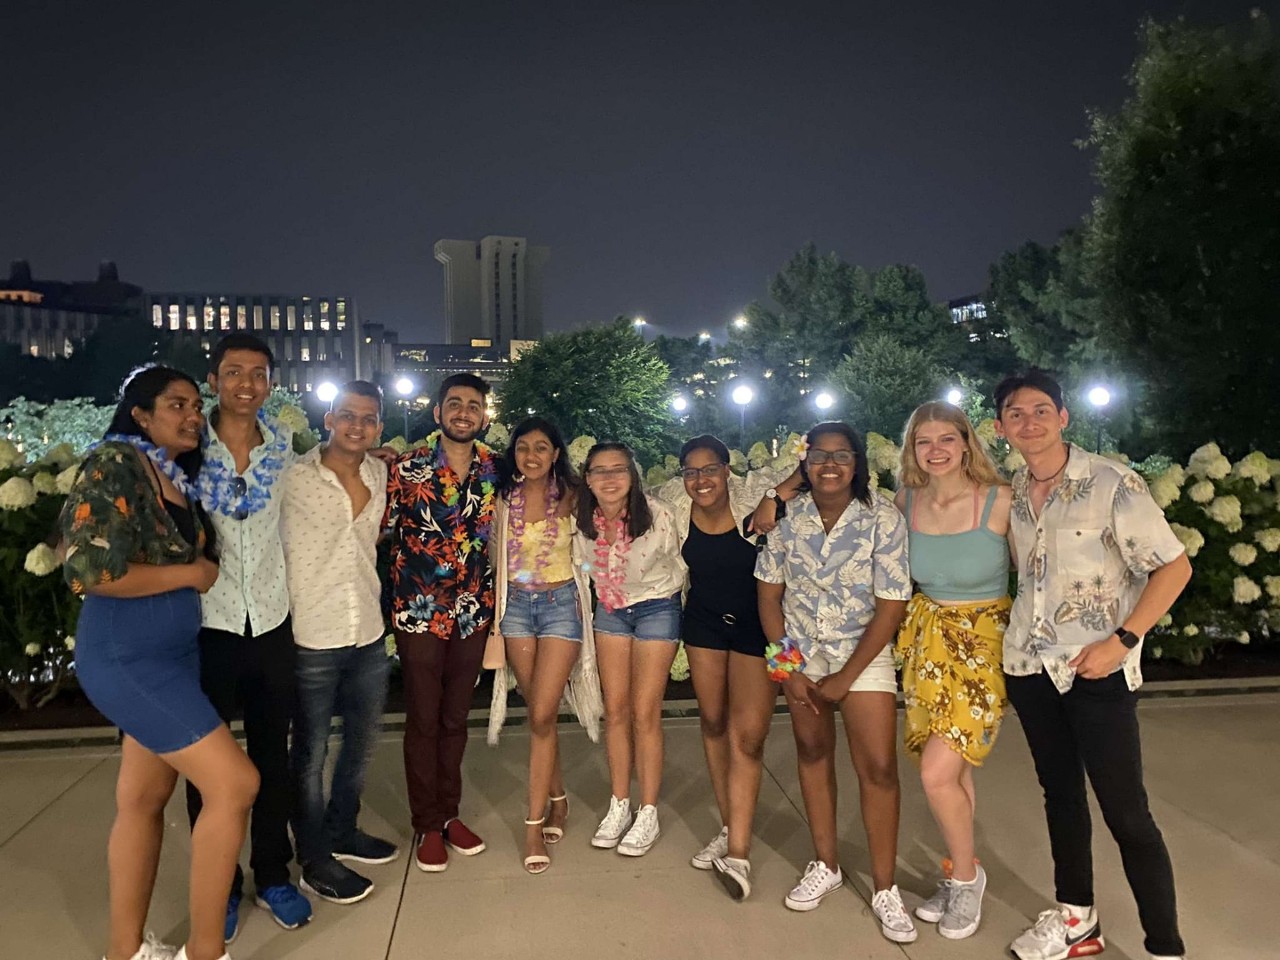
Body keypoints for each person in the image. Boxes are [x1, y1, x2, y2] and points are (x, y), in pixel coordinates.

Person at [995, 370, 1192, 960]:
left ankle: (1165, 945)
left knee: (1126, 812)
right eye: (1014, 413)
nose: (1027, 422)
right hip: (1030, 669)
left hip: (1096, 671)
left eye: (1039, 410)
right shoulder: (1012, 489)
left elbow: (1174, 568)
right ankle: (1078, 926)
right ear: (1001, 426)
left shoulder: (1112, 482)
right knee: (1061, 797)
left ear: (1064, 417)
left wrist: (1123, 640)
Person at [62, 365, 258, 960]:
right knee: (235, 784)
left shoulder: (170, 474)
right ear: (140, 414)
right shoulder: (115, 463)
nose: (193, 415)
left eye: (196, 406)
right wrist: (193, 574)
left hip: (169, 657)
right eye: (177, 404)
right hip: (128, 656)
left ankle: (124, 952)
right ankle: (206, 952)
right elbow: (88, 570)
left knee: (143, 801)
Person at [755, 421, 917, 943]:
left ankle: (886, 888)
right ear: (804, 464)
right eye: (819, 456)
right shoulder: (786, 520)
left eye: (841, 456)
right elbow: (768, 598)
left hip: (861, 656)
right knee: (812, 754)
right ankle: (826, 864)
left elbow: (892, 604)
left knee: (878, 768)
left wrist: (847, 677)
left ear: (857, 463)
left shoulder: (882, 518)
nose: (829, 465)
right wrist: (789, 671)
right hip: (801, 655)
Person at [185, 333, 311, 940]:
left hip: (270, 622)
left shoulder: (284, 448)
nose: (246, 384)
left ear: (269, 382)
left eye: (258, 373)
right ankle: (221, 883)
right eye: (233, 372)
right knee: (208, 767)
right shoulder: (184, 450)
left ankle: (273, 874)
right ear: (213, 380)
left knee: (273, 758)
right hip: (207, 628)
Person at [650, 435, 800, 900]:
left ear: (727, 469)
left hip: (766, 628)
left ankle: (738, 855)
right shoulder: (676, 506)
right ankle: (730, 823)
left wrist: (775, 498)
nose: (701, 480)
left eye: (709, 469)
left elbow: (809, 470)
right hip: (704, 625)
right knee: (713, 723)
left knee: (749, 737)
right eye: (691, 472)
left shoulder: (756, 493)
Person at [892, 401, 1012, 940]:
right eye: (924, 441)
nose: (935, 450)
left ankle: (966, 879)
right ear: (912, 450)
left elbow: (1040, 574)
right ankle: (960, 868)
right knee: (955, 772)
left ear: (967, 442)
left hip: (985, 648)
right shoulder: (905, 503)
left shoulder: (999, 502)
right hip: (926, 643)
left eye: (946, 439)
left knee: (936, 773)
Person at [281, 381, 399, 905]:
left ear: (378, 426)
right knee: (309, 754)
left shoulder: (379, 472)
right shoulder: (292, 477)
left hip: (368, 632)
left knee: (361, 744)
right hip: (312, 633)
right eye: (348, 415)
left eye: (369, 418)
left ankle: (342, 830)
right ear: (327, 418)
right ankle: (313, 858)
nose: (358, 425)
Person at [385, 373, 499, 873]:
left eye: (473, 405)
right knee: (423, 719)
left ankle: (449, 814)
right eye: (454, 403)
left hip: (473, 610)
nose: (463, 412)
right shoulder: (406, 468)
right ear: (437, 413)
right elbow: (374, 525)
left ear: (484, 416)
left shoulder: (498, 469)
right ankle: (426, 823)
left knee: (456, 719)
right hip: (420, 609)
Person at [484, 417, 603, 874]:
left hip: (560, 606)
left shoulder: (575, 496)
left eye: (541, 448)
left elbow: (611, 528)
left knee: (540, 714)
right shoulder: (503, 499)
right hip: (515, 607)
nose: (530, 456)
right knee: (541, 713)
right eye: (522, 448)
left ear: (556, 454)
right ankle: (558, 799)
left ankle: (532, 824)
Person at [575, 441, 684, 857]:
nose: (609, 478)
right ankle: (619, 803)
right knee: (615, 710)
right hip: (611, 610)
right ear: (587, 478)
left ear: (633, 475)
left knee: (645, 711)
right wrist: (597, 577)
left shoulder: (660, 516)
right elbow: (582, 564)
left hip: (657, 607)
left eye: (618, 469)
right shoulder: (581, 520)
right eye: (599, 471)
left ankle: (648, 810)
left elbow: (680, 562)